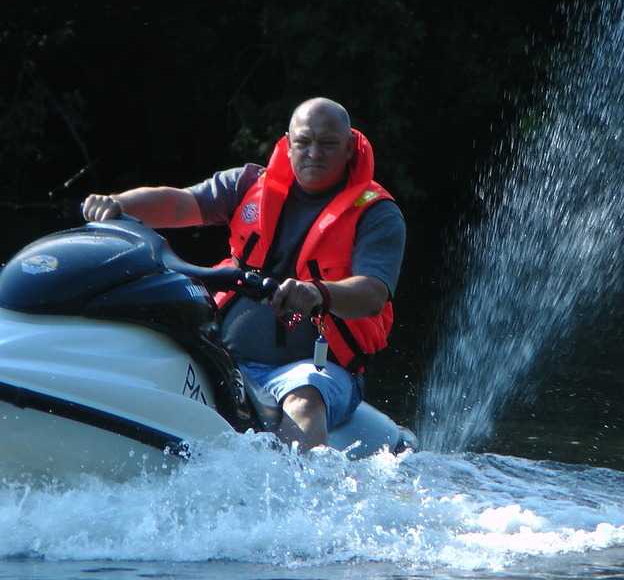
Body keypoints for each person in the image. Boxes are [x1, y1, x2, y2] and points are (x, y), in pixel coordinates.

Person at [82, 98, 405, 452]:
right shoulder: (249, 183)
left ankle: (300, 497)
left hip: (313, 369)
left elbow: (373, 294)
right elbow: (180, 203)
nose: (315, 152)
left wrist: (317, 293)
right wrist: (118, 205)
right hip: (225, 355)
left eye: (328, 144)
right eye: (304, 142)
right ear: (288, 141)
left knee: (304, 397)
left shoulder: (377, 213)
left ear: (348, 148)